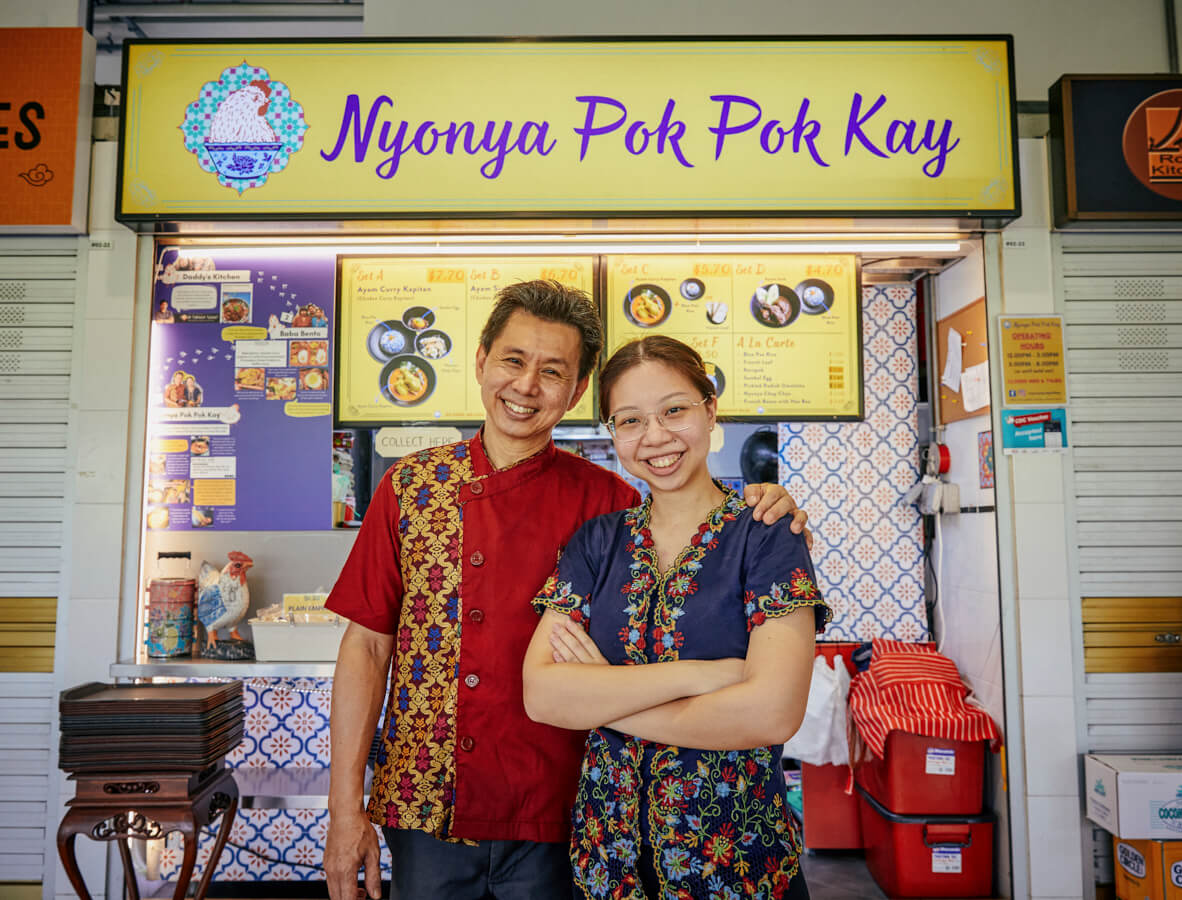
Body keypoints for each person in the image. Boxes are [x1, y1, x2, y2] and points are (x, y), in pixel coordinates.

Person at [322, 281, 811, 900]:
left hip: (559, 805)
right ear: (480, 361)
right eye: (513, 361)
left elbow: (762, 697)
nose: (527, 386)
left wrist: (768, 504)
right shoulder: (410, 486)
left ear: (577, 392)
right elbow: (366, 648)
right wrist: (344, 811)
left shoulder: (607, 503)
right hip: (426, 804)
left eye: (552, 371)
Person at [523, 335, 828, 900]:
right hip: (608, 863)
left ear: (710, 411)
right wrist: (703, 675)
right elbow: (543, 695)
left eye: (674, 410)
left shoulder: (766, 536)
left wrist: (603, 702)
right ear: (613, 433)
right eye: (630, 420)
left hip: (736, 859)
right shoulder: (597, 542)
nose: (655, 436)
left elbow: (771, 713)